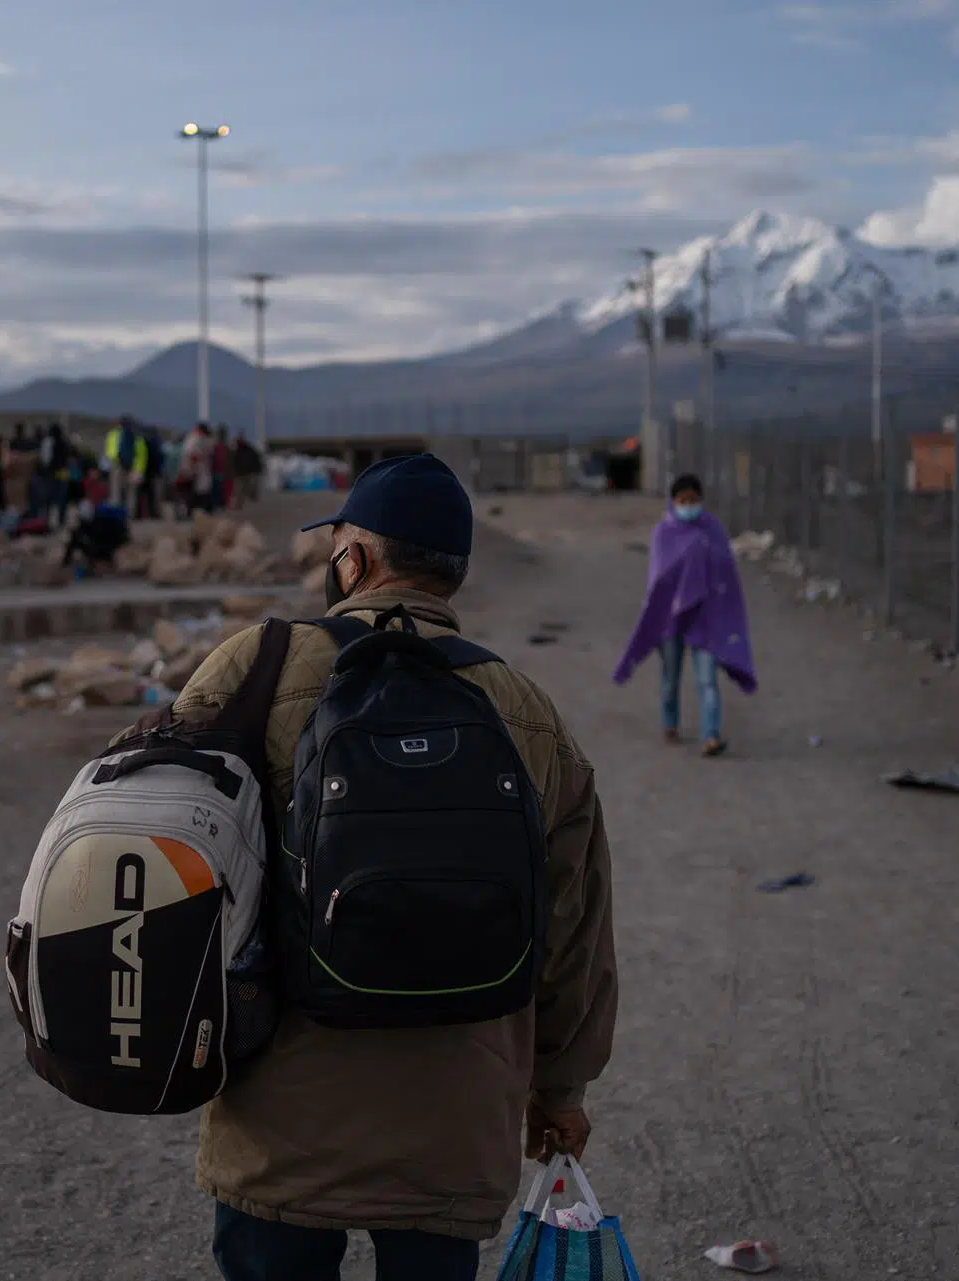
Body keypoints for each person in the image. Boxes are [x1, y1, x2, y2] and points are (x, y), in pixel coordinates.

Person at [151, 453, 617, 1281]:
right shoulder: (527, 711)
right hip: (455, 1125)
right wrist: (561, 1090)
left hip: (278, 1123)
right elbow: (574, 926)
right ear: (453, 574)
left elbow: (161, 846)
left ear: (355, 559)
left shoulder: (253, 667)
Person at [612, 473, 757, 757]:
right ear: (673, 501)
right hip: (671, 617)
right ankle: (669, 723)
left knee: (707, 680)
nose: (689, 505)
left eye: (694, 500)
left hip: (706, 616)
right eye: (683, 500)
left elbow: (726, 571)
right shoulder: (663, 533)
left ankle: (711, 736)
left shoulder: (713, 529)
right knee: (670, 677)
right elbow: (659, 578)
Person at [181, 421, 216, 514]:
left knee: (192, 493)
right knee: (203, 492)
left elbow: (191, 455)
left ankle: (191, 511)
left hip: (194, 471)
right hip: (204, 471)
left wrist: (189, 468)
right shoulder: (209, 441)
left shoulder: (193, 439)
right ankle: (203, 511)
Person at [212, 424, 234, 511]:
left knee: (221, 491)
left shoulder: (222, 447)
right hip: (221, 473)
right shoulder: (226, 447)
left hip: (222, 473)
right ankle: (221, 505)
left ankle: (221, 505)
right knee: (221, 491)